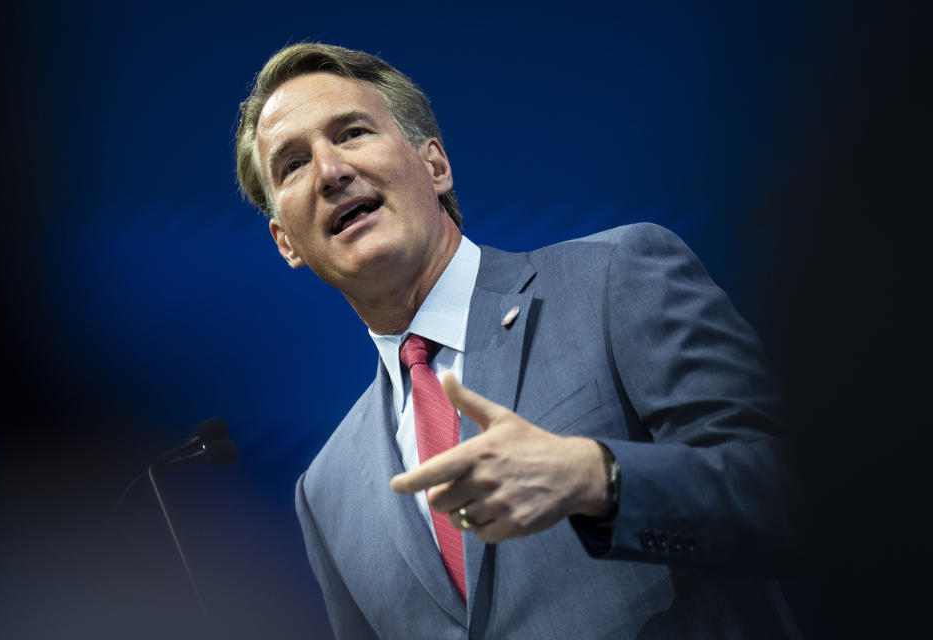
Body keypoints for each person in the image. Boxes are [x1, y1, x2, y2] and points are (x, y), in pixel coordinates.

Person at [235, 43, 800, 639]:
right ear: (285, 243)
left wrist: (597, 479)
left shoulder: (614, 278)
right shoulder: (325, 494)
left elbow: (794, 497)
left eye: (351, 133)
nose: (330, 171)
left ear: (434, 166)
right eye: (293, 164)